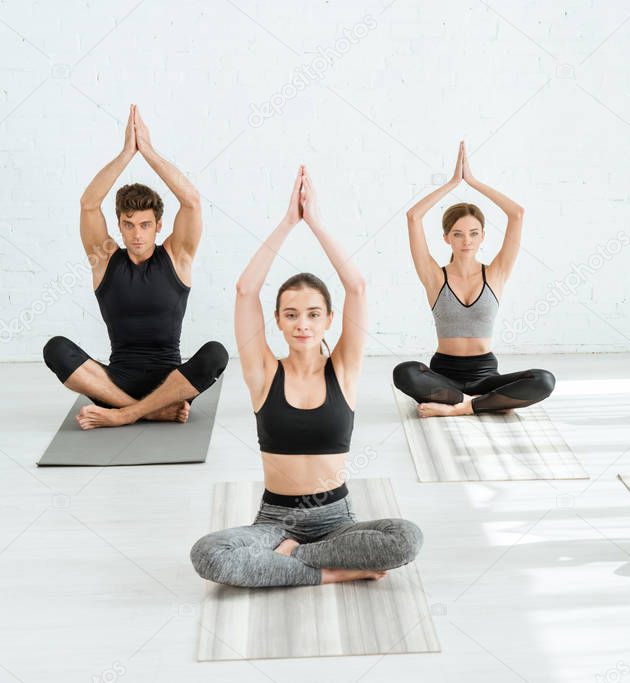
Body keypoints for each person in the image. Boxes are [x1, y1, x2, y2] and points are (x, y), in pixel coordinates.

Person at [190, 166, 422, 588]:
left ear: (329, 320)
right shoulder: (263, 373)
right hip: (275, 522)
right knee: (209, 556)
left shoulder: (344, 370)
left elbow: (357, 287)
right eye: (291, 315)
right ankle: (329, 573)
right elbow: (245, 289)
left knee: (406, 538)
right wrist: (286, 223)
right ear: (277, 320)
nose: (302, 324)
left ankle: (296, 561)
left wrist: (314, 221)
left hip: (337, 519)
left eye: (313, 314)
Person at [42, 105, 227, 430]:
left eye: (144, 225)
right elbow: (89, 204)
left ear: (158, 226)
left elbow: (192, 201)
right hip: (115, 383)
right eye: (128, 225)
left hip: (172, 383)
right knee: (55, 348)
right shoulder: (104, 258)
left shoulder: (177, 255)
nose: (136, 234)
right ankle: (147, 411)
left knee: (216, 354)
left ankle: (124, 414)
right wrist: (127, 152)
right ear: (119, 225)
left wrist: (149, 152)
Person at [392, 141, 555, 418]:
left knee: (544, 380)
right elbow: (413, 216)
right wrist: (454, 182)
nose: (466, 240)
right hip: (443, 376)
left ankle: (461, 407)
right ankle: (480, 403)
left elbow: (517, 214)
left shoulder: (495, 273)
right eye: (457, 233)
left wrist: (474, 182)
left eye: (473, 233)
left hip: (486, 376)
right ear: (446, 238)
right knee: (404, 372)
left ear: (482, 236)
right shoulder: (434, 276)